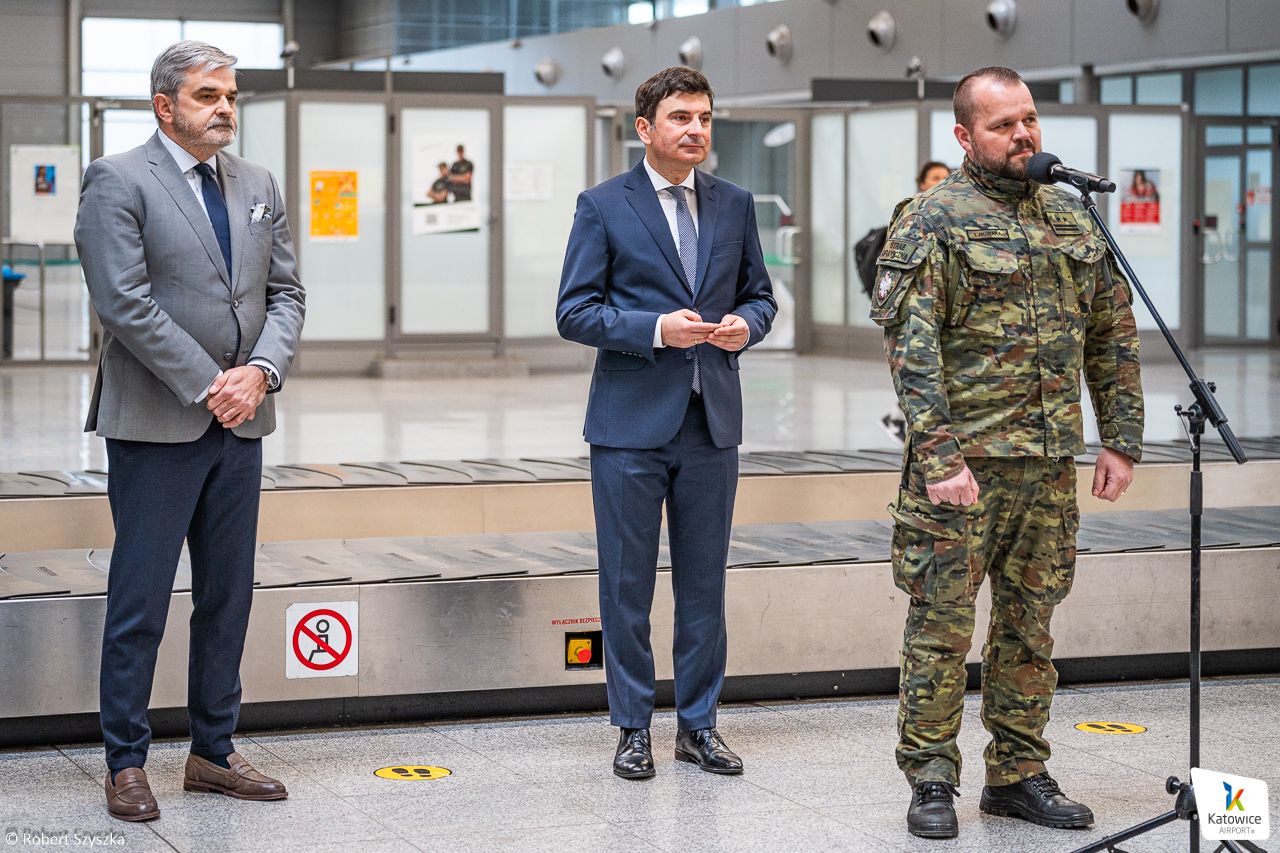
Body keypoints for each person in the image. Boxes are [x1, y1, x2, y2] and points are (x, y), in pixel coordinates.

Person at [869, 66, 1143, 840]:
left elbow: (1112, 336)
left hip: (1048, 469)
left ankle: (1018, 773)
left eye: (1029, 119)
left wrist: (1121, 436)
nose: (1023, 134)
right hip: (961, 472)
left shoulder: (1073, 216)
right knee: (942, 626)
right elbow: (911, 355)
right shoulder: (932, 220)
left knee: (1030, 626)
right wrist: (941, 457)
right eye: (1003, 124)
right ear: (964, 136)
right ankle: (930, 775)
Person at [74, 40, 305, 822]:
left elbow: (287, 293)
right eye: (208, 95)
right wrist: (213, 383)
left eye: (231, 95)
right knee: (141, 597)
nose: (225, 108)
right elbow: (124, 302)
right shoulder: (117, 180)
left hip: (243, 423)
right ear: (164, 106)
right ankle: (126, 759)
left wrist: (260, 373)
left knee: (227, 595)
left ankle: (213, 750)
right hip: (158, 422)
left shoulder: (258, 183)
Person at [556, 66, 776, 781]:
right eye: (682, 117)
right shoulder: (603, 206)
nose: (698, 130)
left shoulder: (735, 203)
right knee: (625, 587)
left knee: (704, 583)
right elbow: (575, 311)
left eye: (706, 118)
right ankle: (631, 726)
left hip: (711, 420)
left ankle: (700, 724)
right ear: (645, 128)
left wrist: (748, 324)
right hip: (628, 425)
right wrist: (654, 328)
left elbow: (761, 296)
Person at [864, 161, 951, 443]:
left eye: (945, 177)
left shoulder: (955, 216)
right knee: (916, 365)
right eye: (935, 177)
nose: (941, 181)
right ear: (922, 182)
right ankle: (900, 421)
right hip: (915, 310)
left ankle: (897, 418)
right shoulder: (913, 216)